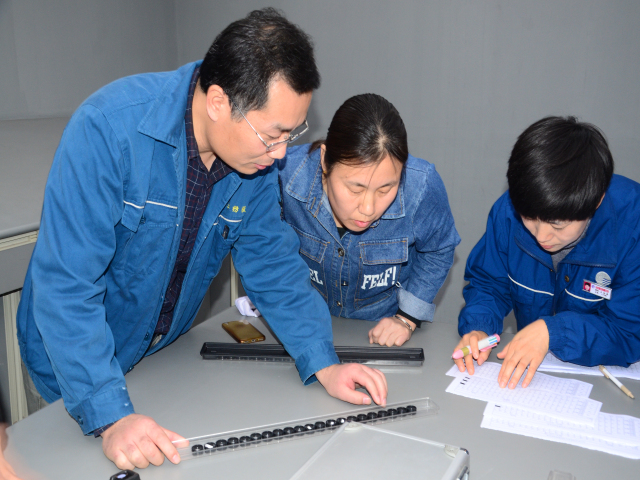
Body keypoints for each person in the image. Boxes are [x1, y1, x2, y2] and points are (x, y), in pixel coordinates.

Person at [17, 9, 387, 471]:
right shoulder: (107, 131)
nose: (279, 155)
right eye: (272, 135)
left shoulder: (252, 164)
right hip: (74, 372)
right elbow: (67, 287)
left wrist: (323, 361)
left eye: (291, 135)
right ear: (217, 102)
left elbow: (272, 262)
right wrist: (109, 415)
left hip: (154, 361)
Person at [454, 116, 640, 389]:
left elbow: (629, 332)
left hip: (603, 382)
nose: (541, 237)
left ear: (596, 200)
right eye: (529, 218)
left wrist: (554, 333)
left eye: (558, 225)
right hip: (536, 382)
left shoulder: (632, 226)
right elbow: (489, 284)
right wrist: (479, 327)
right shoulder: (509, 211)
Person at [278, 93, 460, 347]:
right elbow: (260, 246)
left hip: (380, 331)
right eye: (355, 188)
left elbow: (438, 249)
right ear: (325, 160)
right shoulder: (283, 175)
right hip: (300, 324)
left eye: (386, 189)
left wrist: (406, 318)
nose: (368, 208)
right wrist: (273, 296)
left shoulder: (421, 186)